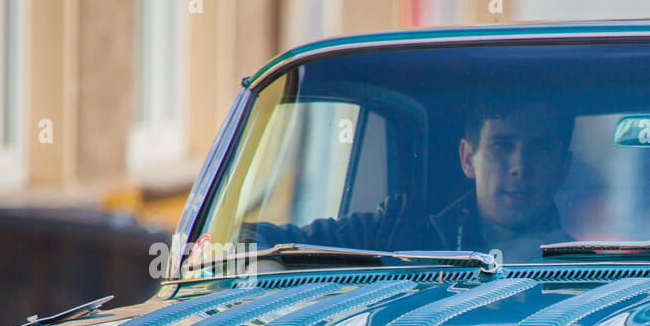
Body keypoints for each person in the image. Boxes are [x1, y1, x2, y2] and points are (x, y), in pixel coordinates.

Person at [239, 102, 575, 264]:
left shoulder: (596, 263)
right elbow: (237, 243)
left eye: (541, 149)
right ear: (468, 159)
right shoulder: (394, 232)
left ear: (563, 168)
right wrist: (271, 263)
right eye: (502, 146)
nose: (519, 166)